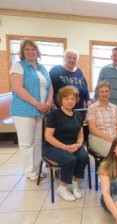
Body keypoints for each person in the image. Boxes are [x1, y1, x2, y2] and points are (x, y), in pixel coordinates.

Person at [10, 39, 53, 181]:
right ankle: (29, 172)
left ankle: (37, 168)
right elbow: (18, 89)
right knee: (26, 142)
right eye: (27, 49)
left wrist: (48, 102)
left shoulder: (42, 68)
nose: (30, 52)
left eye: (33, 49)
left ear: (37, 52)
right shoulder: (18, 66)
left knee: (37, 141)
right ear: (22, 52)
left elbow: (50, 87)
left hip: (41, 110)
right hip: (24, 110)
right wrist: (37, 104)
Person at [43, 86, 89, 201]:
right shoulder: (54, 115)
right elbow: (48, 137)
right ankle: (62, 188)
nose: (70, 101)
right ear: (61, 100)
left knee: (83, 157)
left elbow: (80, 134)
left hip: (73, 145)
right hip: (53, 146)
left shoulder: (78, 115)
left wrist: (78, 144)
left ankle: (74, 184)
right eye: (67, 99)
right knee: (70, 159)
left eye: (72, 99)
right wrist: (65, 147)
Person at [86, 81, 117, 157]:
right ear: (98, 93)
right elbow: (92, 128)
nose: (104, 94)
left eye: (106, 91)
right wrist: (110, 139)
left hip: (115, 138)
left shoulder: (114, 107)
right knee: (115, 153)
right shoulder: (92, 108)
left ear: (110, 92)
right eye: (102, 92)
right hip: (98, 139)